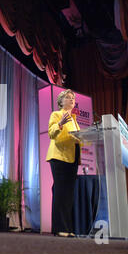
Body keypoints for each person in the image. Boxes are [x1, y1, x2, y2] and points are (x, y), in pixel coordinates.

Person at [46, 89, 82, 237]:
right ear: (61, 101)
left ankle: (66, 228)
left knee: (68, 195)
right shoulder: (56, 114)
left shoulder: (74, 119)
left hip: (72, 158)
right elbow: (51, 133)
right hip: (59, 157)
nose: (71, 100)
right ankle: (59, 227)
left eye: (73, 98)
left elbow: (77, 139)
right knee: (61, 192)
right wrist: (60, 123)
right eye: (68, 97)